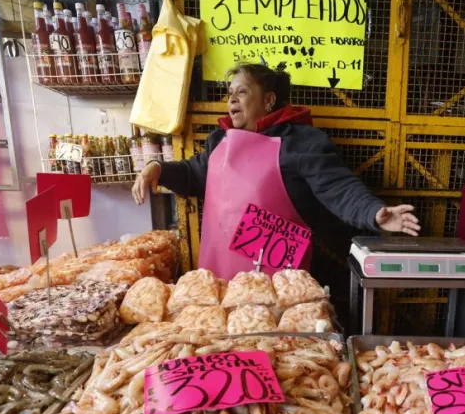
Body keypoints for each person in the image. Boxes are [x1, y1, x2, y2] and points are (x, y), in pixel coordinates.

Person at [131, 62, 419, 279]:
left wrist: (373, 213)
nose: (231, 99)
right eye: (230, 93)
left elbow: (339, 187)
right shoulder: (219, 141)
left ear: (268, 100)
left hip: (280, 281)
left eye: (242, 92)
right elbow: (194, 173)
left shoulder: (299, 141)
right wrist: (158, 168)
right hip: (221, 275)